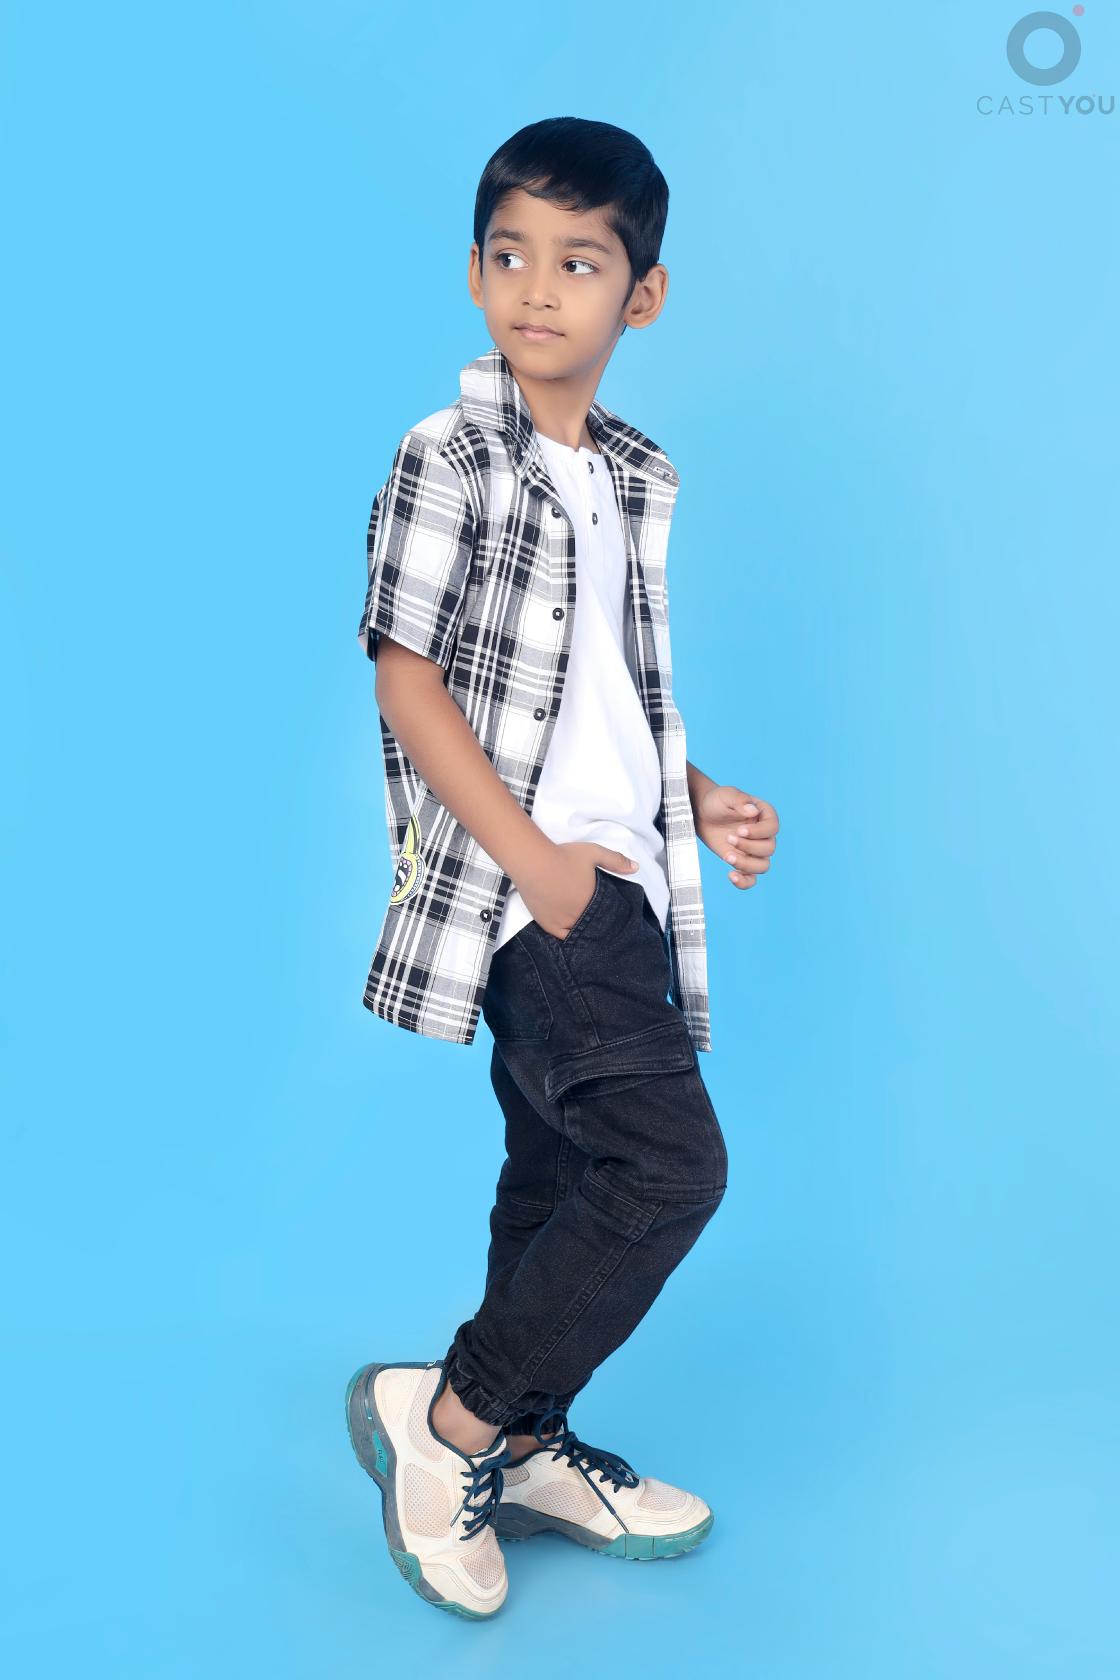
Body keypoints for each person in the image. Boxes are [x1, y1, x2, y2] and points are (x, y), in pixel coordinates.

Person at [344, 116, 779, 1620]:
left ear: (640, 297)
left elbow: (604, 687)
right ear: (475, 275)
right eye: (512, 254)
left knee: (556, 1170)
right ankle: (458, 1424)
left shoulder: (631, 474)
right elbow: (408, 678)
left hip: (623, 880)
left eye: (580, 262)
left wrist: (693, 801)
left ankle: (520, 1442)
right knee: (668, 1168)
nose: (539, 287)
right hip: (535, 891)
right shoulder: (448, 453)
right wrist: (539, 869)